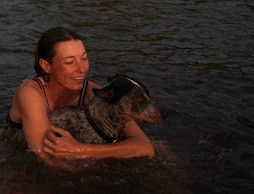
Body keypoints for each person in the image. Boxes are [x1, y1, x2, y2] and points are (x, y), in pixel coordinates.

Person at [8, 27, 155, 163]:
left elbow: (145, 147)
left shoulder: (94, 93)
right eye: (70, 62)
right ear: (46, 66)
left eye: (84, 58)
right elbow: (44, 155)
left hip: (77, 147)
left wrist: (81, 150)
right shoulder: (31, 93)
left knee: (160, 148)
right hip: (16, 154)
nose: (82, 69)